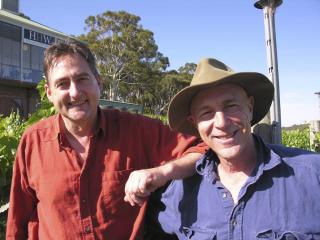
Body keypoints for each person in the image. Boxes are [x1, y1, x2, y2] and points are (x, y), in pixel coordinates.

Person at [6, 40, 205, 240]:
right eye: (62, 84)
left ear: (98, 82)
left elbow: (203, 147)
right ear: (49, 93)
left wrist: (161, 172)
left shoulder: (137, 130)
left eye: (82, 79)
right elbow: (18, 221)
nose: (75, 92)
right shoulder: (33, 141)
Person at [145, 58, 320, 240]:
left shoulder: (312, 176)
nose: (221, 123)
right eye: (206, 113)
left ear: (249, 107)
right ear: (194, 123)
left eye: (231, 106)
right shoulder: (176, 195)